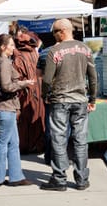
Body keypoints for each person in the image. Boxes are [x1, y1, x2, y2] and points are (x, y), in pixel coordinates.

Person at [40, 19, 97, 192]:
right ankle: (81, 179)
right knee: (80, 140)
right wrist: (92, 99)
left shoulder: (55, 51)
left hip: (60, 100)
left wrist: (45, 96)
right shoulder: (86, 49)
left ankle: (59, 178)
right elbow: (93, 77)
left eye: (55, 32)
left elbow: (47, 79)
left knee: (59, 139)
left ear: (62, 31)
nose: (54, 36)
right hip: (80, 100)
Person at [0, 33, 35, 187]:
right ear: (3, 47)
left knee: (13, 142)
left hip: (7, 107)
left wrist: (23, 82)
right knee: (3, 143)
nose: (13, 48)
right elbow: (6, 86)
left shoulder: (4, 62)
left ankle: (15, 176)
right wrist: (24, 84)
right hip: (6, 108)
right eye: (11, 45)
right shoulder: (5, 63)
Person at [13, 31, 45, 154]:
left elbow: (16, 76)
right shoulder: (34, 54)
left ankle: (26, 145)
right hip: (36, 89)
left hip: (26, 91)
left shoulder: (19, 56)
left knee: (26, 118)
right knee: (37, 116)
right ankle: (37, 144)